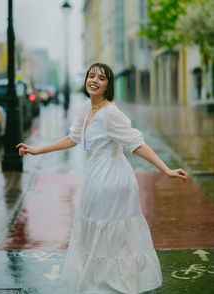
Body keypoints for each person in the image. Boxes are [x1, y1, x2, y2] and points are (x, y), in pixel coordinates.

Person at [16, 63, 188, 294]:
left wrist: (166, 170)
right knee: (96, 230)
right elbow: (72, 138)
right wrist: (37, 150)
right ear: (86, 79)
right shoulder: (87, 108)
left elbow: (136, 144)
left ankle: (122, 284)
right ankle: (99, 283)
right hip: (95, 178)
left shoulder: (111, 113)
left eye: (101, 78)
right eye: (91, 76)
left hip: (115, 180)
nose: (94, 80)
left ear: (108, 86)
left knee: (115, 234)